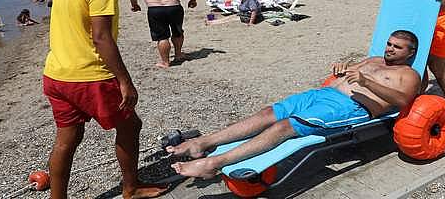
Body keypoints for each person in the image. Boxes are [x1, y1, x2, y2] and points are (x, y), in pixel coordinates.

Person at [167, 31, 422, 178]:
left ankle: (214, 164)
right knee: (269, 113)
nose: (389, 49)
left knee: (284, 127)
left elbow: (403, 101)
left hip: (349, 108)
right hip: (322, 95)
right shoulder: (375, 58)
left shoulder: (408, 75)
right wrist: (343, 68)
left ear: (410, 53)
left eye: (397, 47)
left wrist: (367, 82)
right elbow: (351, 72)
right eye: (389, 43)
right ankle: (203, 143)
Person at [42, 0, 166, 199]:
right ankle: (131, 188)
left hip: (56, 74)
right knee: (130, 125)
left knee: (67, 139)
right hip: (89, 76)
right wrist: (125, 81)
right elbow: (102, 38)